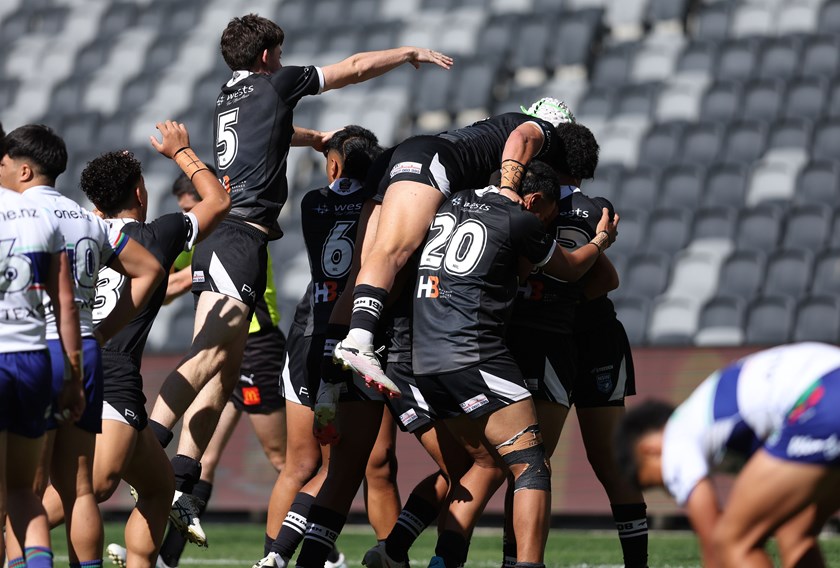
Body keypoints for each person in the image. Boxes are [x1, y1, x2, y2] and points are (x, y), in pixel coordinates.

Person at [144, 14, 453, 542]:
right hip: (237, 235)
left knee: (222, 374)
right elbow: (352, 68)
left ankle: (179, 480)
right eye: (281, 54)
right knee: (208, 359)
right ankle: (145, 451)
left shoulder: (228, 95)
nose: (285, 63)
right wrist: (406, 53)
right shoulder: (274, 82)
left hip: (236, 237)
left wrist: (314, 139)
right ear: (267, 56)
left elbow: (274, 135)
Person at [408, 161, 617, 568]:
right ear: (534, 199)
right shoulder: (519, 220)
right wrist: (602, 240)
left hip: (425, 360)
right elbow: (572, 269)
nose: (544, 226)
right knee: (531, 465)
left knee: (485, 464)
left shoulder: (455, 202)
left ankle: (440, 562)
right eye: (547, 218)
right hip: (475, 353)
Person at [40, 120, 229, 568]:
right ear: (140, 194)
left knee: (160, 485)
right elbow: (219, 200)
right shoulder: (155, 235)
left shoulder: (80, 231)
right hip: (110, 372)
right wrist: (181, 150)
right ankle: (12, 524)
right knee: (96, 486)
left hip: (69, 361)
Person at [334, 98, 585, 396]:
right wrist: (507, 190)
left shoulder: (498, 131)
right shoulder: (543, 133)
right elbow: (523, 137)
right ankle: (359, 341)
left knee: (366, 275)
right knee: (394, 251)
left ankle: (331, 383)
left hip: (409, 155)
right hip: (432, 161)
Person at [1, 124, 164, 568]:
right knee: (79, 488)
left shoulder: (18, 214)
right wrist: (104, 330)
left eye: (5, 162)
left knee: (23, 490)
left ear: (25, 169)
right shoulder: (86, 218)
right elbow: (148, 270)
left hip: (28, 348)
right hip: (84, 350)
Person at [117, 171, 288, 568]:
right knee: (202, 460)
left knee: (285, 461)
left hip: (254, 347)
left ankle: (320, 550)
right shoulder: (204, 235)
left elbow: (168, 281)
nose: (189, 216)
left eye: (192, 207)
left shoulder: (233, 235)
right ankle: (164, 558)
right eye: (183, 211)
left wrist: (151, 287)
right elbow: (166, 271)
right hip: (223, 345)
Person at [256, 126, 399, 568]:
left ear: (333, 165)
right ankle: (391, 554)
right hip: (361, 333)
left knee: (300, 464)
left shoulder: (311, 202)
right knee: (367, 463)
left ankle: (271, 558)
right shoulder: (382, 208)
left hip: (310, 333)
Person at [505, 162, 648, 566]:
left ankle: (516, 560)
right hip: (573, 340)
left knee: (532, 459)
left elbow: (606, 279)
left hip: (579, 339)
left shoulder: (542, 210)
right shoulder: (585, 209)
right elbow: (605, 279)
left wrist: (556, 300)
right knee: (556, 460)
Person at [616, 342, 840, 568]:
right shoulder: (704, 409)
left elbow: (713, 543)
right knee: (794, 530)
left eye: (660, 482)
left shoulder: (676, 437)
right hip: (827, 385)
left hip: (823, 400)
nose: (671, 490)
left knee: (732, 542)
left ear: (650, 449)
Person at [0, 178, 84, 568]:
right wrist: (73, 376)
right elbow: (65, 304)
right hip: (33, 358)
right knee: (22, 491)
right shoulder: (39, 216)